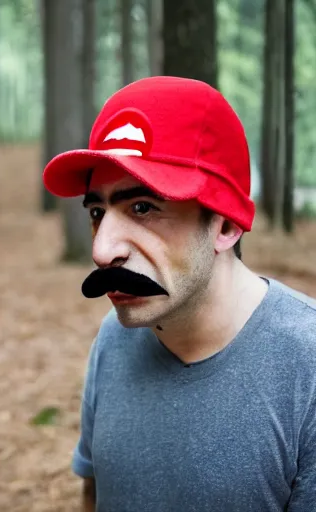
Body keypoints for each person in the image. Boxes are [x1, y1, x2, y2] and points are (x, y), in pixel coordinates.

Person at [42, 76, 316, 512]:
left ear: (225, 225)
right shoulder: (114, 338)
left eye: (143, 208)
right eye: (97, 212)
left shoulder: (307, 368)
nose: (101, 250)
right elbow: (96, 495)